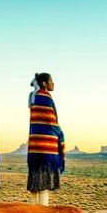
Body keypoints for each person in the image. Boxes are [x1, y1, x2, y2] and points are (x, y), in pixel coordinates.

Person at [27, 72, 65, 205]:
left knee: (35, 180)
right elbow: (51, 122)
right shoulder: (46, 98)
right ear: (44, 83)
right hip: (46, 148)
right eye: (51, 81)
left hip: (34, 147)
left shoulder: (33, 97)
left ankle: (33, 212)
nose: (53, 83)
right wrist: (60, 134)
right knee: (44, 182)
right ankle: (43, 212)